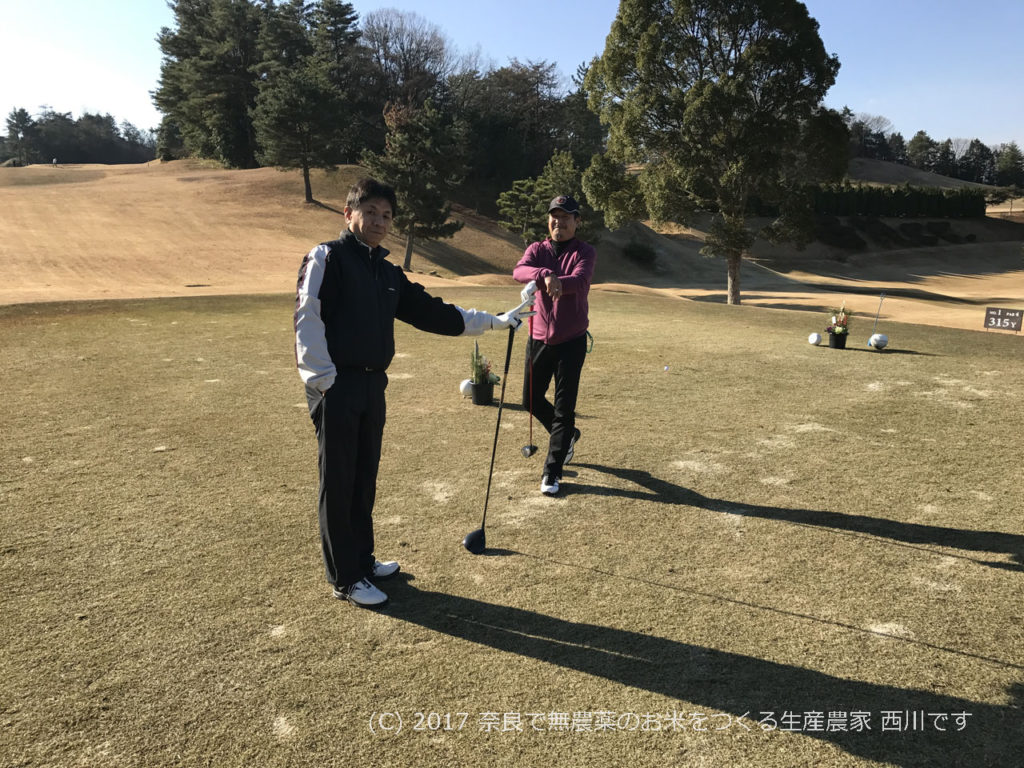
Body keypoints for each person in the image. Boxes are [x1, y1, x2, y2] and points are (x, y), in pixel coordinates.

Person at [295, 177, 533, 608]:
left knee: (364, 477)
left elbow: (433, 312)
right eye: (369, 212)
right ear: (348, 214)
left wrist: (495, 321)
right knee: (339, 480)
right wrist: (321, 380)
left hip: (373, 385)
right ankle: (345, 578)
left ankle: (363, 561)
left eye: (386, 215)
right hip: (337, 386)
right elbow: (307, 315)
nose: (379, 221)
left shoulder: (387, 273)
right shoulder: (327, 257)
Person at [513, 195, 596, 497]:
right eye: (554, 216)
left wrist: (558, 280)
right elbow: (519, 270)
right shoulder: (537, 250)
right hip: (537, 338)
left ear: (576, 222)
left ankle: (553, 471)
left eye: (566, 217)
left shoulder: (585, 251)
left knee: (563, 409)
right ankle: (569, 437)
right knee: (530, 399)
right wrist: (544, 274)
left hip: (571, 342)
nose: (559, 222)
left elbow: (581, 280)